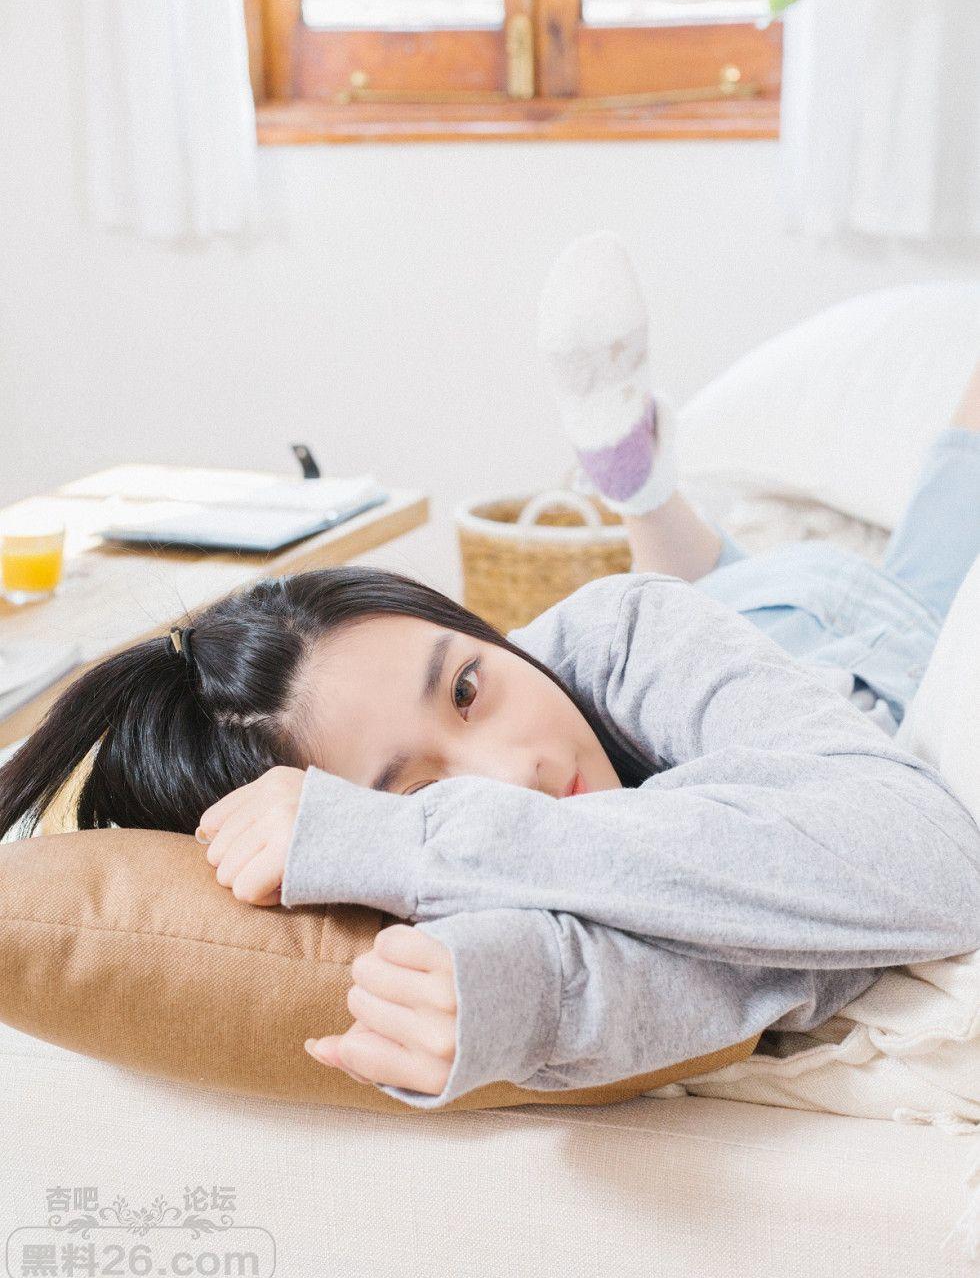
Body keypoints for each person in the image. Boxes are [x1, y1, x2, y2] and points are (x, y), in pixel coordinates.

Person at [2, 235, 979, 1110]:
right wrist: (534, 997)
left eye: (467, 688)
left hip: (814, 626)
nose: (517, 769)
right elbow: (773, 954)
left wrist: (414, 831)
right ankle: (640, 488)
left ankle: (641, 491)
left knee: (825, 538)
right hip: (828, 663)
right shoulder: (461, 887)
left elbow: (935, 863)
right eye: (419, 793)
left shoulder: (620, 631)